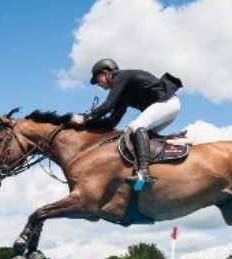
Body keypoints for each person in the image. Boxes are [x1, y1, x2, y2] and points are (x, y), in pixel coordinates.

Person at [71, 58, 182, 187]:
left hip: (167, 103)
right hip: (168, 107)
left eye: (97, 80)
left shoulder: (120, 77)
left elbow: (107, 106)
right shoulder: (122, 92)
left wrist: (85, 118)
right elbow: (112, 121)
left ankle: (143, 174)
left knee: (136, 126)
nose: (98, 84)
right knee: (139, 140)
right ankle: (142, 184)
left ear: (105, 73)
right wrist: (89, 126)